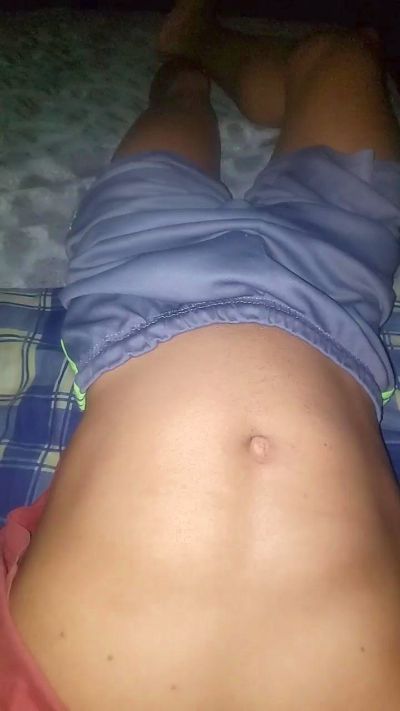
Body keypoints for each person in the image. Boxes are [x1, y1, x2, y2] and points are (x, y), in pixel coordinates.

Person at [2, 1, 400, 708]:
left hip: (136, 291)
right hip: (332, 297)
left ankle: (192, 60)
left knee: (178, 110)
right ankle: (235, 53)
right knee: (342, 57)